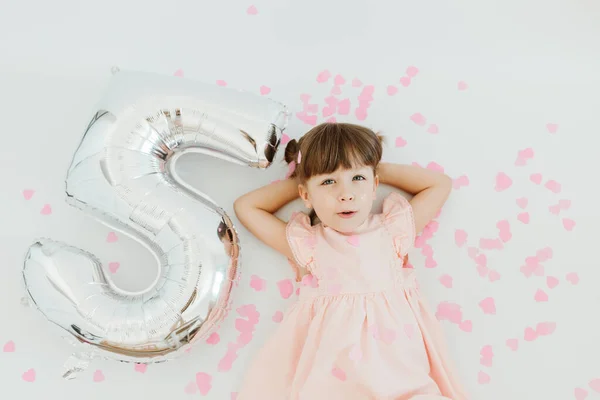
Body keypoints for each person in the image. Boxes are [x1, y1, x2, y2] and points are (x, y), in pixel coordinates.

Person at [233, 122, 467, 399]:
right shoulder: (309, 245)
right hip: (336, 378)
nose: (346, 193)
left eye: (357, 179)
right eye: (328, 182)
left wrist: (370, 166)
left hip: (400, 375)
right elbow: (246, 207)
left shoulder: (393, 231)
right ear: (305, 195)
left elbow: (439, 184)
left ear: (374, 184)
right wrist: (304, 177)